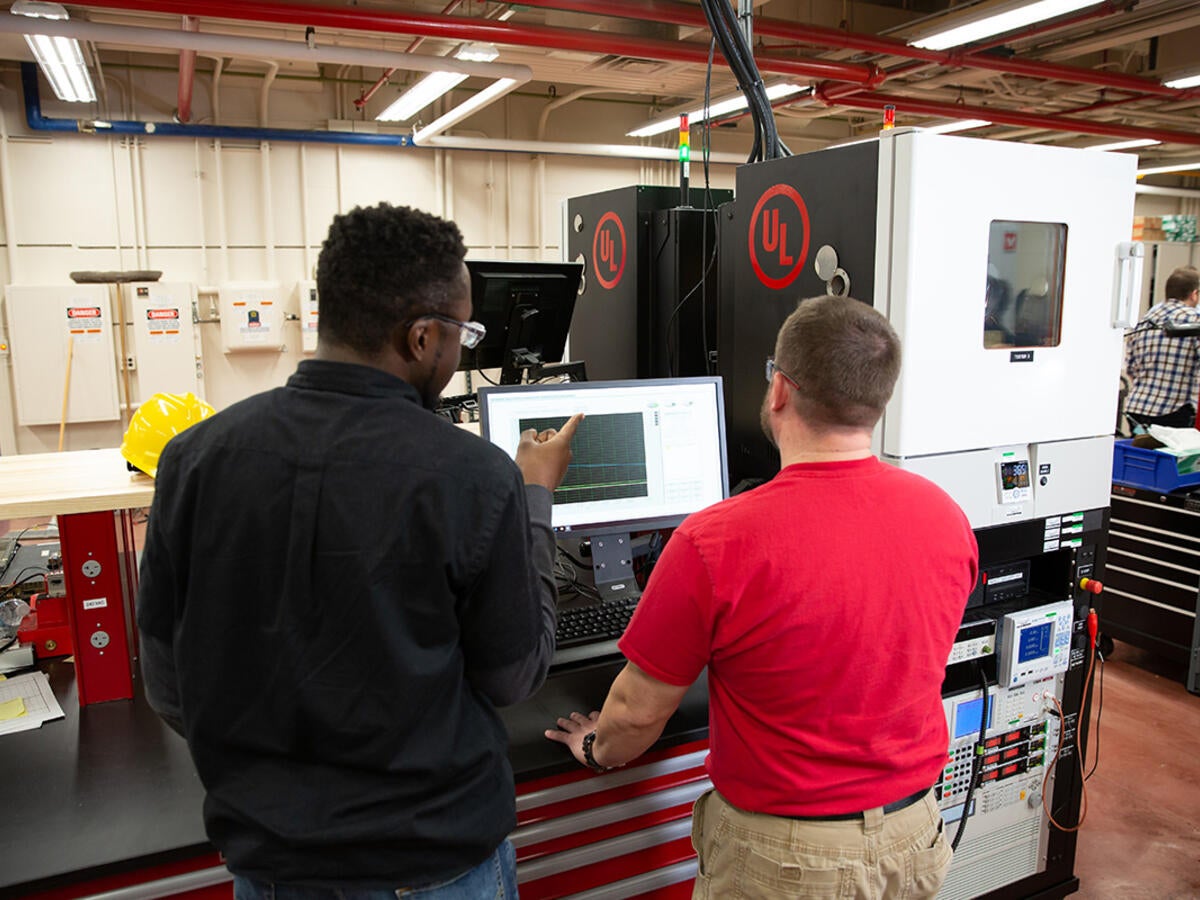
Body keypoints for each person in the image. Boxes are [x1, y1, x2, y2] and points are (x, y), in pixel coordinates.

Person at [137, 203, 581, 899]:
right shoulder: (473, 478)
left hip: (272, 868)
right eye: (462, 334)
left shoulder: (193, 460)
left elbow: (167, 684)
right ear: (422, 336)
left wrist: (282, 778)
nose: (459, 351)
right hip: (434, 868)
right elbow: (515, 675)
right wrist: (534, 500)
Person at [547, 295, 979, 899]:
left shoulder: (716, 540)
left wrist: (595, 748)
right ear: (877, 402)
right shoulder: (944, 515)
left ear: (779, 389)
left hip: (786, 863)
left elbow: (637, 715)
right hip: (915, 837)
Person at [1124, 265, 1200, 430]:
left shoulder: (1145, 320)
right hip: (1173, 412)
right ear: (1194, 294)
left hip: (1136, 408)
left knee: (1141, 455)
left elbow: (1130, 368)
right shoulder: (1194, 320)